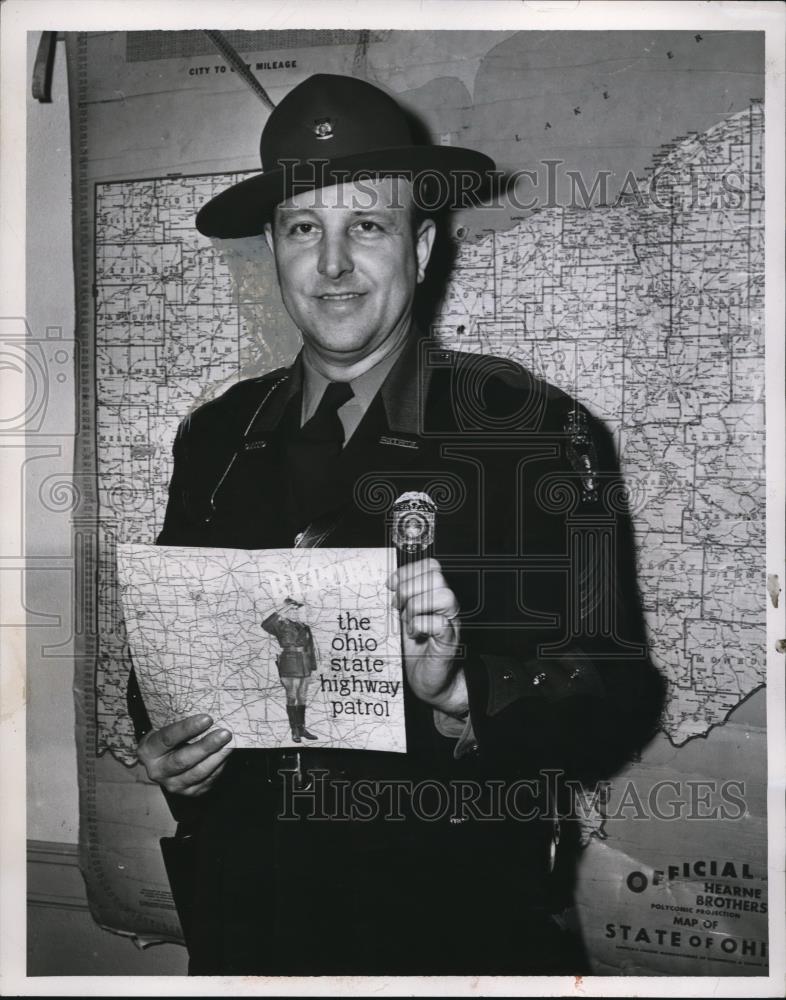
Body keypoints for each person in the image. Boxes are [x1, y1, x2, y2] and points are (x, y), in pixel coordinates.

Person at [128, 73, 664, 975]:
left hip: (450, 926)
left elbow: (615, 694)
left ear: (419, 246)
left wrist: (463, 693)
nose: (333, 265)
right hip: (246, 922)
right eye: (305, 229)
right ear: (273, 249)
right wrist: (172, 747)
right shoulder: (218, 436)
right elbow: (176, 649)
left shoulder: (533, 429)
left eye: (365, 227)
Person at [260, 598, 319, 743]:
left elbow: (310, 648)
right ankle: (294, 730)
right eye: (291, 609)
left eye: (296, 609)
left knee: (303, 696)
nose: (294, 612)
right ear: (285, 611)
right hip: (290, 663)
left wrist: (314, 668)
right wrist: (282, 610)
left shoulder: (304, 627)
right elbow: (265, 624)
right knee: (292, 696)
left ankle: (302, 728)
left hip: (305, 664)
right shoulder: (280, 625)